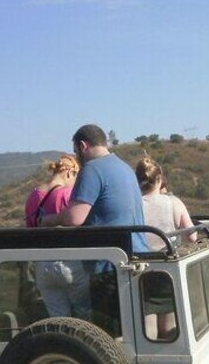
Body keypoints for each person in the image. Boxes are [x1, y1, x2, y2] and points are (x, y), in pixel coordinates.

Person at [42, 124, 149, 334]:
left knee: (107, 337)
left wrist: (48, 221)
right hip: (135, 258)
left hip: (108, 267)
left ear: (83, 146)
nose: (77, 156)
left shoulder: (92, 169)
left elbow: (74, 217)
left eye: (75, 151)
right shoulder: (124, 167)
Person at [136, 157, 197, 340]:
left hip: (139, 272)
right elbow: (192, 237)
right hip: (167, 273)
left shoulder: (133, 205)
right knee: (169, 327)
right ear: (160, 178)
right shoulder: (173, 203)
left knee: (147, 327)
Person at [23, 155, 90, 319]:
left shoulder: (33, 196)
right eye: (76, 177)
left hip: (42, 266)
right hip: (69, 262)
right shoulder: (68, 195)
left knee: (58, 320)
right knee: (84, 317)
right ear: (69, 173)